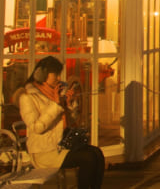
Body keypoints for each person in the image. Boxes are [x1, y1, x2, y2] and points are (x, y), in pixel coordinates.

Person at [18, 56, 105, 189]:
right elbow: (37, 127)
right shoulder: (27, 97)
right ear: (42, 75)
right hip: (45, 152)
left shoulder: (56, 92)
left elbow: (70, 122)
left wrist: (69, 105)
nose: (59, 78)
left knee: (97, 154)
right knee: (88, 158)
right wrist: (56, 104)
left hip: (61, 145)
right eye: (55, 75)